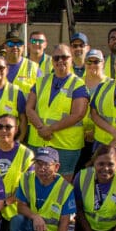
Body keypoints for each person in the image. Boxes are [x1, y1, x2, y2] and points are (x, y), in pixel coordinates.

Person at [9, 146, 75, 231]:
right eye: (38, 163)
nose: (41, 168)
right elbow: (20, 207)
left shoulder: (65, 189)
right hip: (33, 225)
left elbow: (64, 223)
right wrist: (35, 217)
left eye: (46, 164)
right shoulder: (27, 179)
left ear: (56, 167)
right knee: (16, 221)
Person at [25, 44, 89, 177]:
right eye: (56, 58)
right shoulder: (41, 81)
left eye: (64, 57)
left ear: (71, 59)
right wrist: (41, 127)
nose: (60, 61)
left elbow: (78, 115)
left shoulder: (79, 85)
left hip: (65, 145)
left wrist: (50, 129)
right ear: (52, 61)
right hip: (39, 141)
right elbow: (29, 108)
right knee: (37, 179)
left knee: (62, 183)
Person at [77, 48, 106, 171]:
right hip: (78, 136)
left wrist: (94, 131)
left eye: (96, 62)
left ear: (103, 63)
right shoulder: (77, 82)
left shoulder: (110, 84)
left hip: (100, 137)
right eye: (89, 62)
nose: (92, 65)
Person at [3, 30, 40, 96]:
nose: (15, 47)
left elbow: (42, 92)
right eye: (10, 44)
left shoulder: (34, 68)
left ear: (23, 47)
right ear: (5, 47)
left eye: (18, 44)